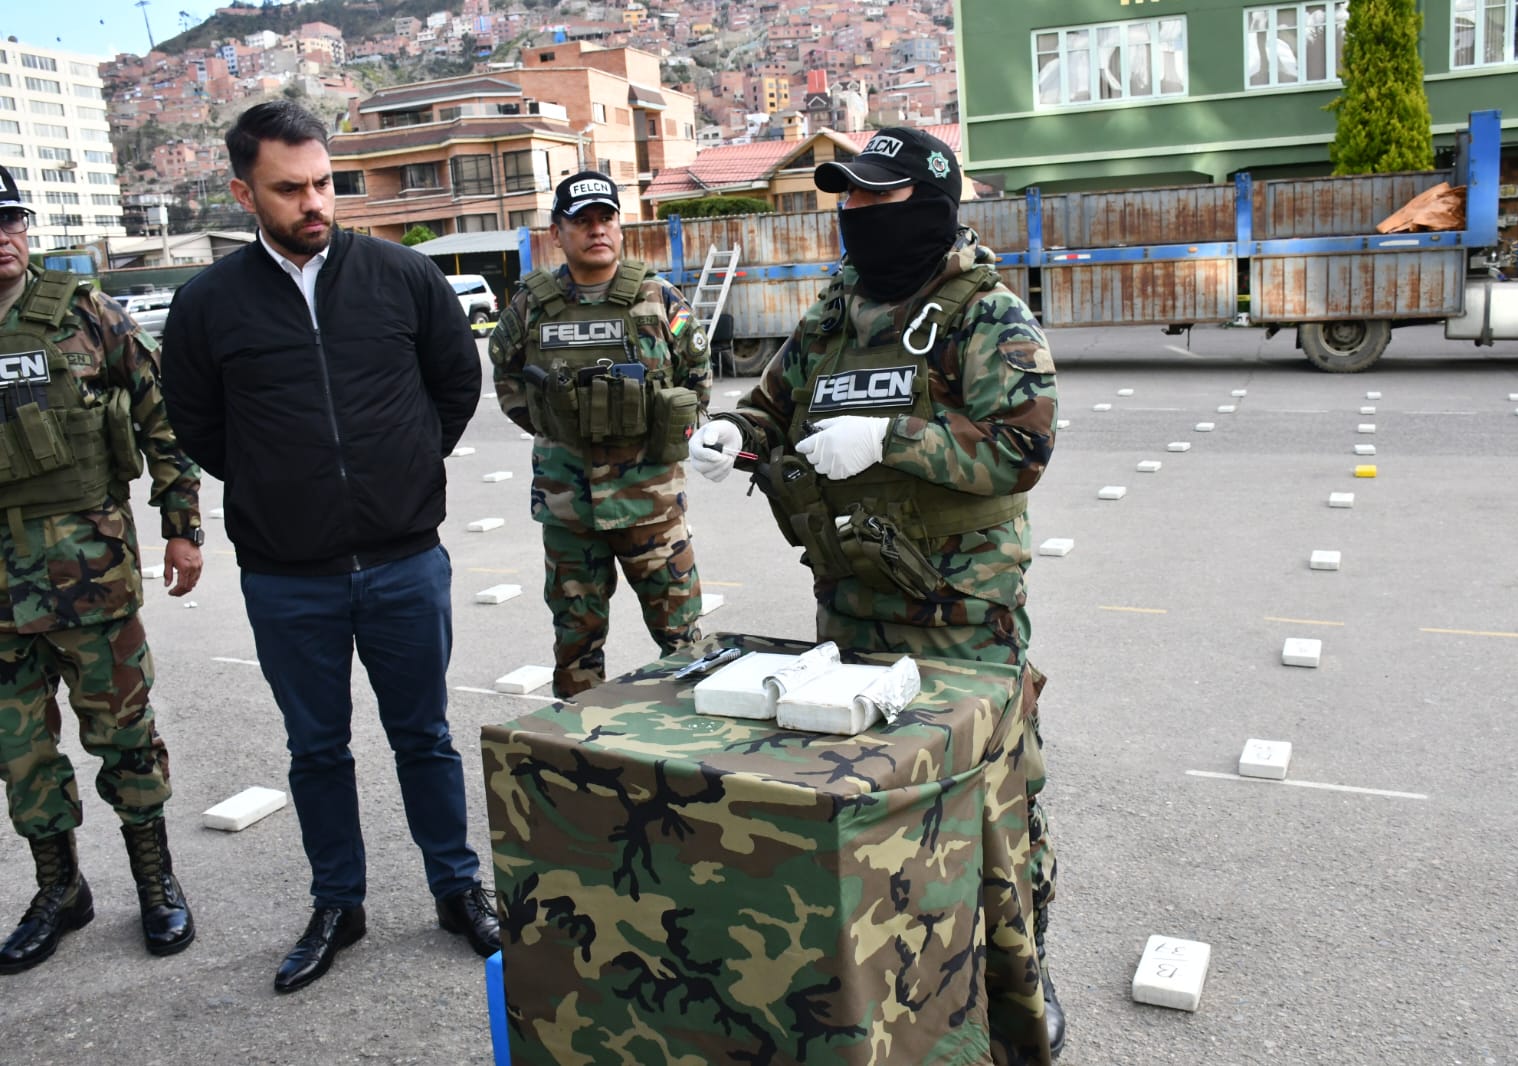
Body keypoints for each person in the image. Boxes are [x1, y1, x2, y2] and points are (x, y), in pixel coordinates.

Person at [686, 128, 1065, 1060]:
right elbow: (772, 405)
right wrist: (731, 433)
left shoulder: (987, 316)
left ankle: (1026, 976)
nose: (854, 217)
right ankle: (901, 978)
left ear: (931, 207)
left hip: (961, 614)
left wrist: (889, 440)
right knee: (875, 812)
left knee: (991, 808)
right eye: (846, 200)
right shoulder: (836, 313)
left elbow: (1022, 450)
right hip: (851, 607)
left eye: (875, 200)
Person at [159, 100, 498, 994]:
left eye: (323, 184)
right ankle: (338, 904)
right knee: (317, 751)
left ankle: (456, 889)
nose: (315, 203)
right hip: (287, 576)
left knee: (424, 736)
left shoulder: (401, 276)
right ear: (244, 193)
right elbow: (198, 423)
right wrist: (279, 485)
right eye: (290, 189)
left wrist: (401, 468)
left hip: (403, 562)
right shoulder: (206, 305)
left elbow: (455, 383)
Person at [0, 163, 203, 973]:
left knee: (124, 737)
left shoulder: (85, 314)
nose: (1, 239)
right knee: (19, 752)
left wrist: (180, 528)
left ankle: (155, 882)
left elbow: (163, 420)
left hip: (90, 574)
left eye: (8, 221)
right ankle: (61, 890)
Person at [487, 171, 710, 699]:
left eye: (606, 218)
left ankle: (691, 749)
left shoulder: (658, 299)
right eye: (581, 221)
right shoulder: (530, 307)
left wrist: (657, 427)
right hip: (569, 509)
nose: (596, 230)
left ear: (620, 226)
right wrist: (561, 427)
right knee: (576, 642)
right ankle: (580, 751)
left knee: (684, 642)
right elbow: (508, 380)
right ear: (557, 231)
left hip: (651, 505)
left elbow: (696, 378)